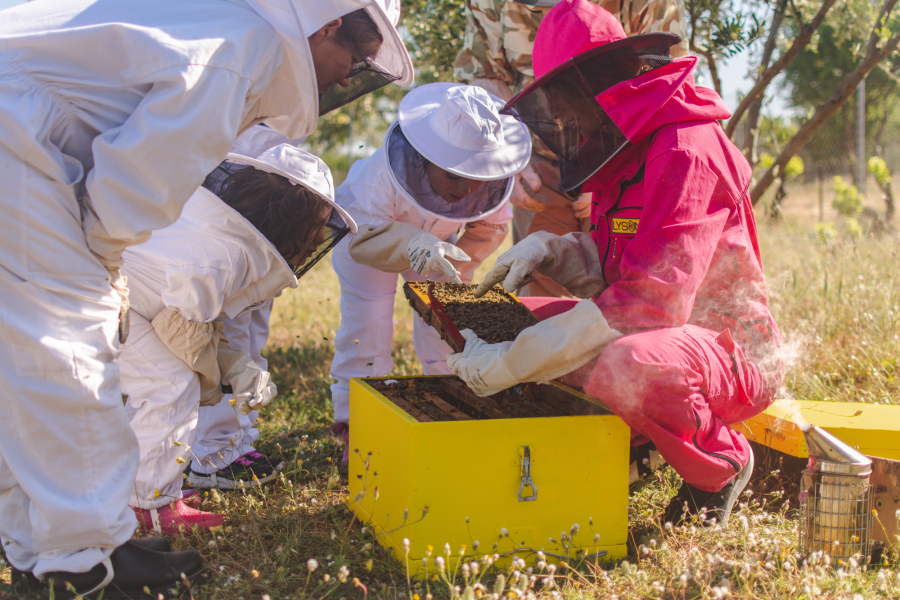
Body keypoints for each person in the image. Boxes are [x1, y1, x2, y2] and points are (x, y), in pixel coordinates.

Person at [0, 0, 411, 596]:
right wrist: (102, 269)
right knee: (68, 350)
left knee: (29, 360)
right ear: (325, 25)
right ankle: (84, 566)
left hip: (24, 131)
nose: (350, 77)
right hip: (16, 136)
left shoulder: (215, 25)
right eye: (355, 55)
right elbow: (131, 182)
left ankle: (38, 550)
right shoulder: (243, 48)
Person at [449, 0, 783, 528]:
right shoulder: (621, 155)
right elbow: (621, 263)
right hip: (669, 336)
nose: (560, 117)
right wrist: (553, 250)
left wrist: (515, 362)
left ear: (599, 82)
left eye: (564, 97)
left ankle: (721, 463)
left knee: (628, 364)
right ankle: (639, 442)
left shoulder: (684, 148)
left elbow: (651, 303)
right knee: (514, 320)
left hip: (732, 352)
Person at [119, 144, 355, 535]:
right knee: (170, 385)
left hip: (128, 302)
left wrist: (233, 364)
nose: (319, 238)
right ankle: (149, 506)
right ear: (290, 215)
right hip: (112, 302)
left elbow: (188, 321)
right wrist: (227, 373)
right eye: (320, 223)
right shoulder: (226, 256)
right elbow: (183, 333)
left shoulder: (218, 232)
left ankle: (148, 489)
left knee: (169, 382)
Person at [330, 83, 532, 460]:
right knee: (368, 326)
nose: (468, 188)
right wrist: (411, 244)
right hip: (367, 240)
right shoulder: (374, 179)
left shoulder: (485, 188)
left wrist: (459, 263)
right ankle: (356, 425)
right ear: (426, 157)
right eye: (456, 176)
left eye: (477, 176)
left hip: (439, 246)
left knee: (446, 321)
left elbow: (489, 228)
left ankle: (451, 399)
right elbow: (363, 237)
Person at [454, 0, 688, 297]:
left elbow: (663, 78)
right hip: (538, 162)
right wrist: (508, 157)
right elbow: (484, 76)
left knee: (633, 286)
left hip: (632, 162)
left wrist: (602, 166)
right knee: (538, 285)